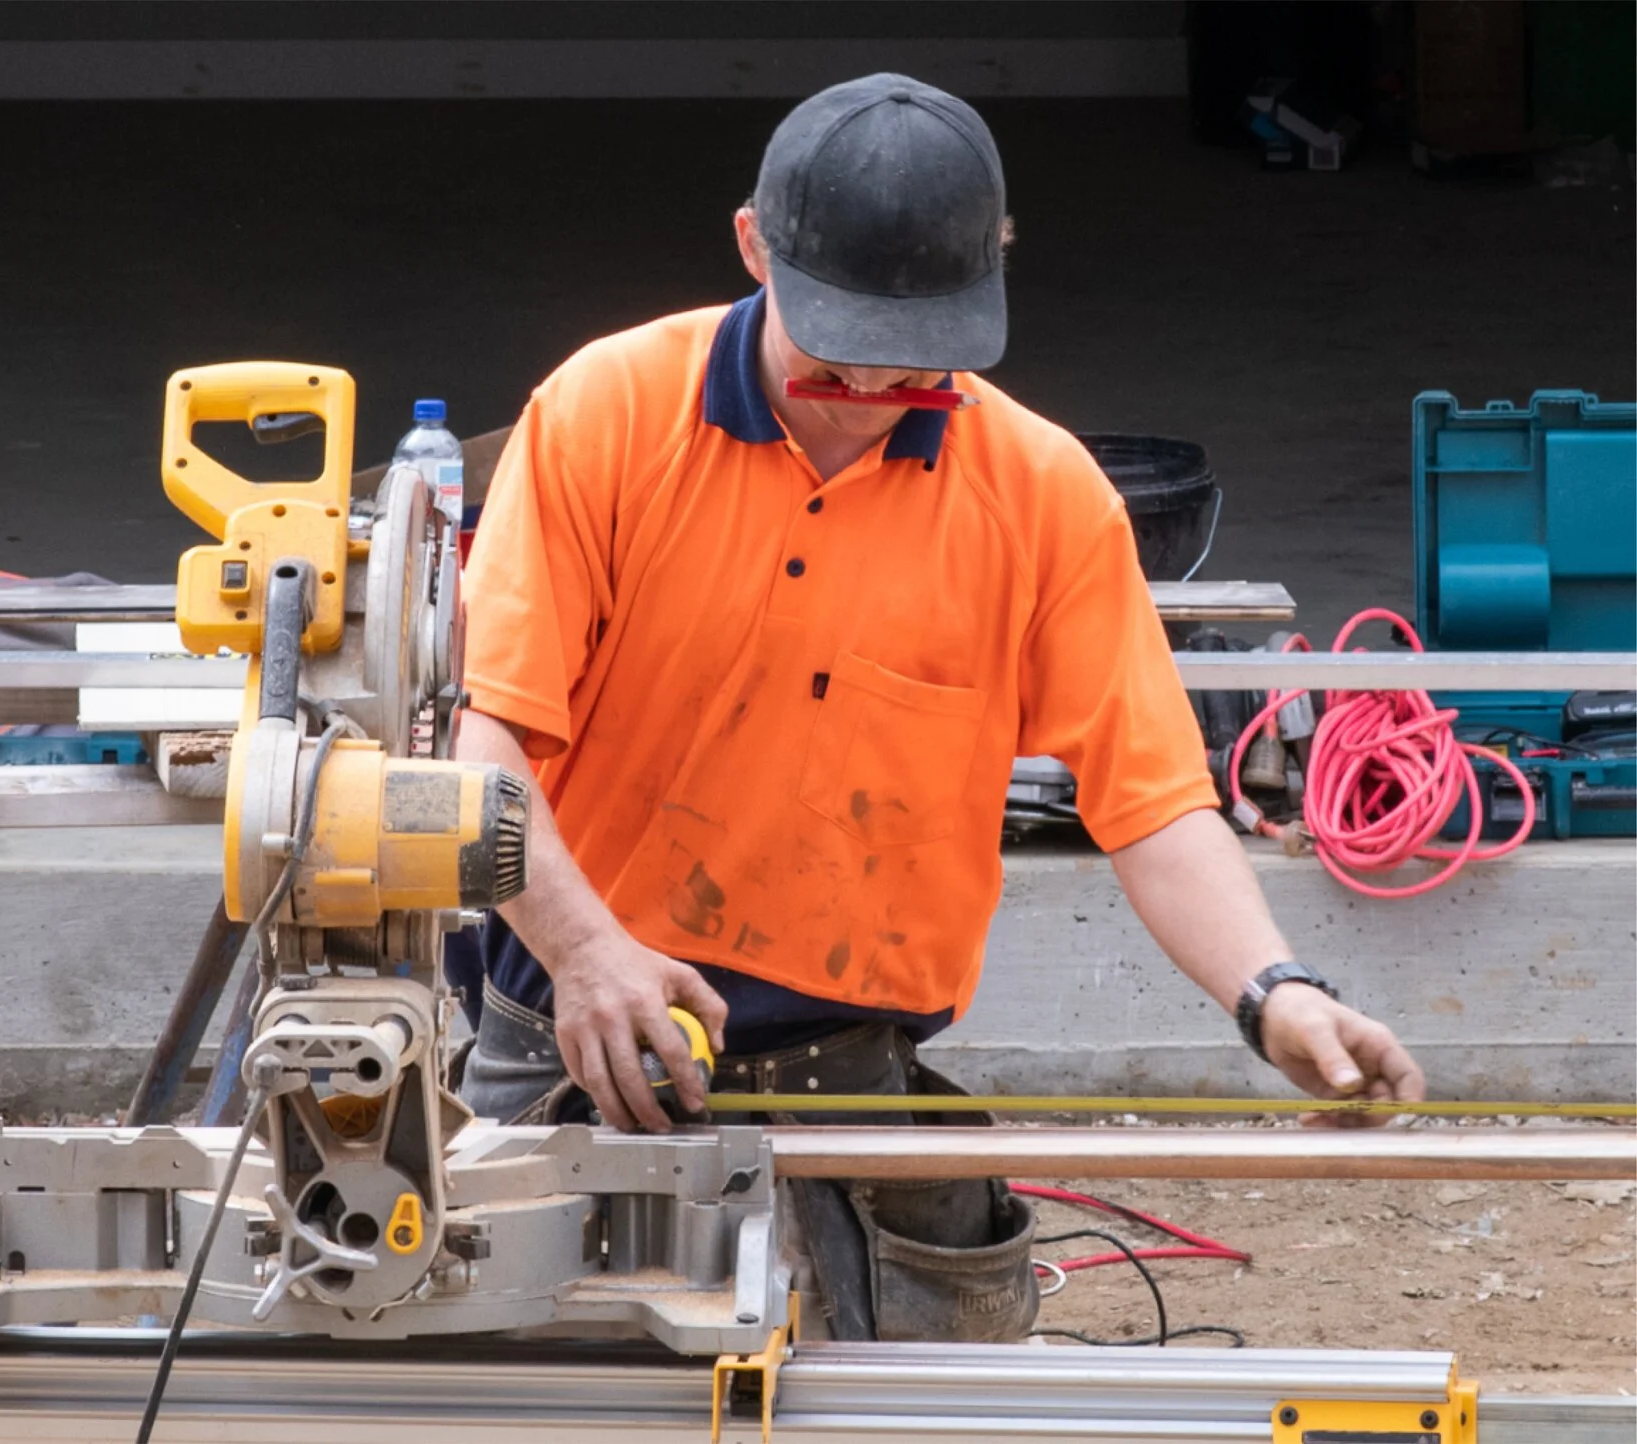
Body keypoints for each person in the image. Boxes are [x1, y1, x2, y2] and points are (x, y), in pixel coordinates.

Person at [447, 73, 1426, 1344]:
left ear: (996, 271)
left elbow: (1153, 801)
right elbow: (485, 751)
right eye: (839, 334)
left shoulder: (1043, 494)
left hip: (845, 1076)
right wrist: (585, 952)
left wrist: (1274, 992)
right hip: (580, 1045)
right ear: (754, 245)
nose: (873, 375)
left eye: (918, 345)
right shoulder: (604, 415)